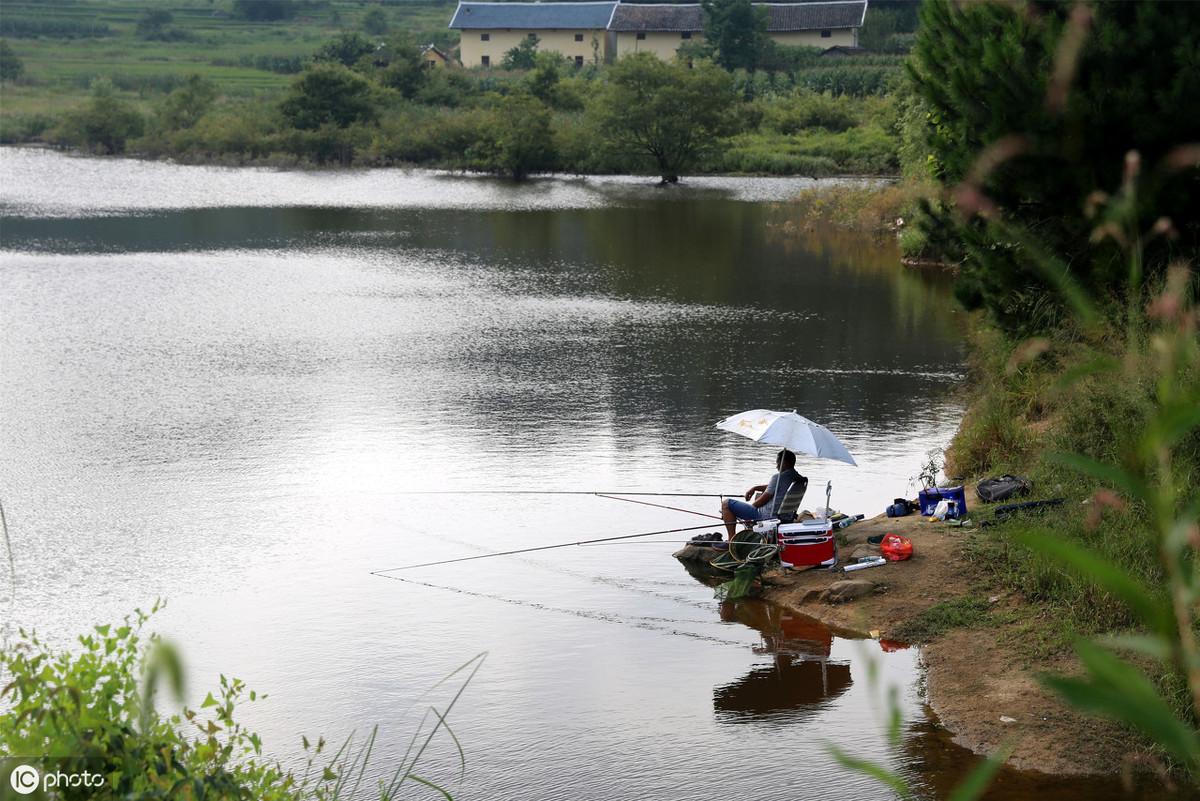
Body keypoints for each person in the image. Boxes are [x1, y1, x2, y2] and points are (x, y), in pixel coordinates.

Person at [720, 449, 806, 540]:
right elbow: (774, 486)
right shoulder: (798, 478)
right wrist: (755, 488)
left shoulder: (778, 477)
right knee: (758, 495)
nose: (777, 465)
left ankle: (731, 540)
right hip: (786, 517)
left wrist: (748, 512)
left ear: (784, 462)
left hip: (768, 517)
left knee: (726, 504)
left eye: (778, 462)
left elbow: (762, 501)